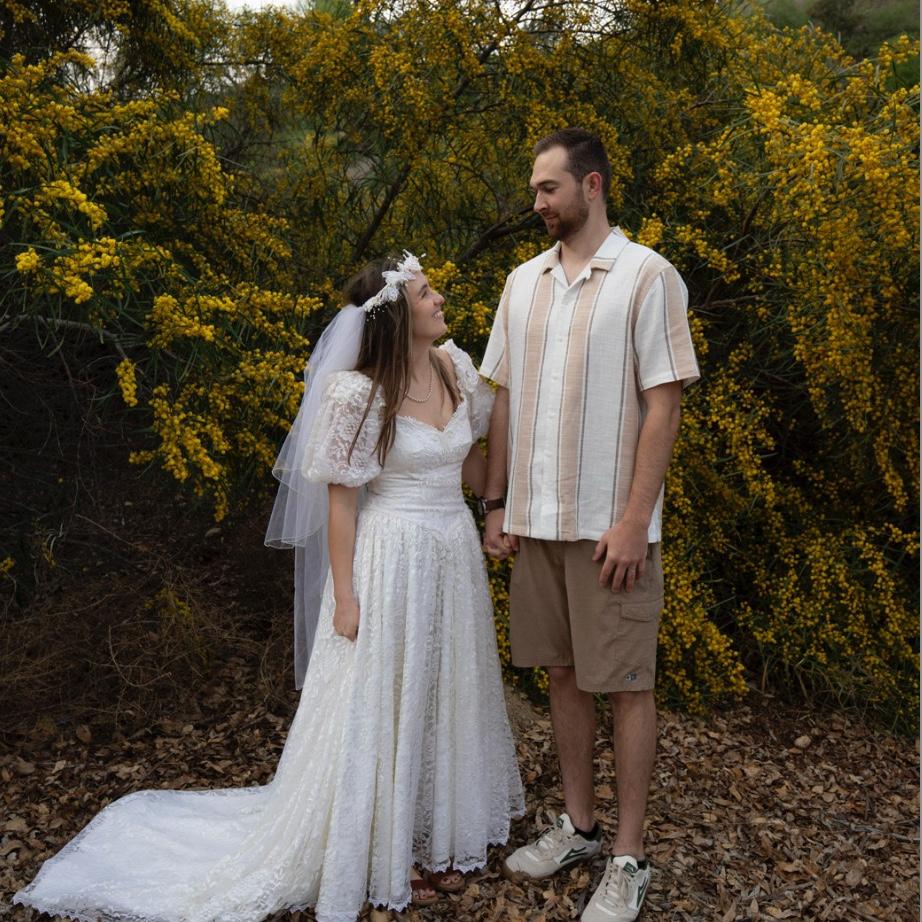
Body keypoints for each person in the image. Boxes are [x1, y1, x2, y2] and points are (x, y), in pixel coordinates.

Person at [14, 253, 524, 922]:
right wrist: (345, 597)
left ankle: (431, 830)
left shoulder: (454, 368)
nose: (440, 301)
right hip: (387, 557)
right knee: (380, 697)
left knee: (437, 685)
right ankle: (377, 848)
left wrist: (497, 510)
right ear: (399, 318)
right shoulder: (358, 393)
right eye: (427, 294)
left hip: (449, 553)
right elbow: (342, 503)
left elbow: (470, 459)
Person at [480, 128, 700, 922]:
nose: (536, 203)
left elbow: (664, 403)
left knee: (628, 684)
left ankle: (630, 858)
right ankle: (578, 826)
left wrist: (636, 520)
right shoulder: (521, 284)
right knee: (563, 676)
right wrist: (496, 502)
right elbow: (501, 395)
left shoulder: (647, 277)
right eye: (536, 191)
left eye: (548, 189)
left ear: (593, 185)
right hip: (536, 521)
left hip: (612, 528)